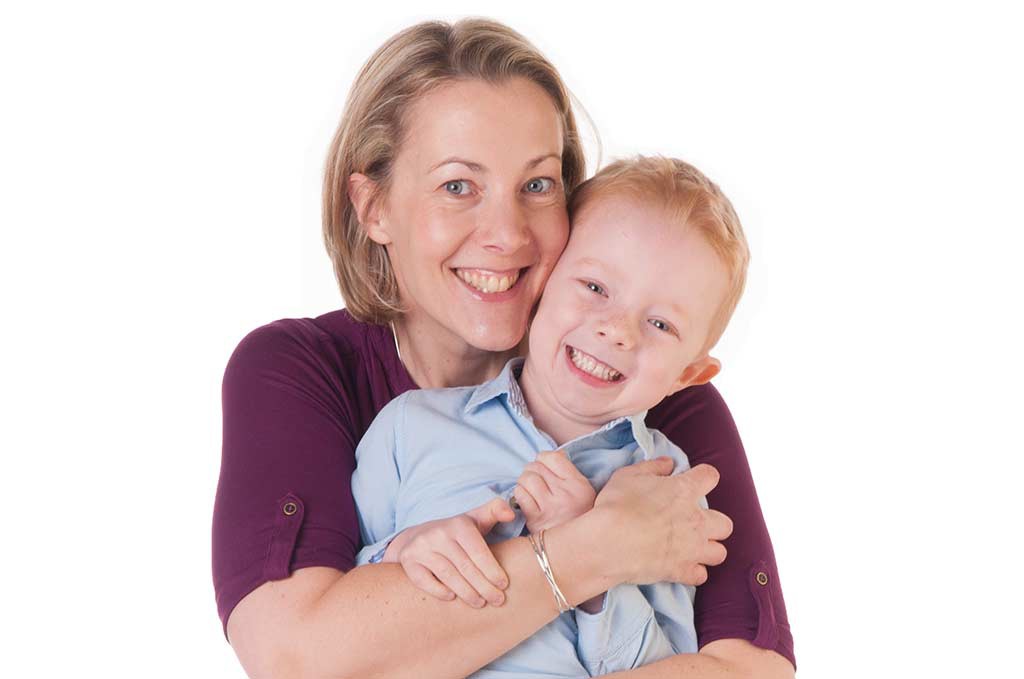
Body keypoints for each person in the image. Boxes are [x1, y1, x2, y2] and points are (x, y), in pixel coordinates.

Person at [213, 18, 795, 679]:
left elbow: (749, 670)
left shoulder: (655, 400)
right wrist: (592, 549)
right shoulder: (311, 377)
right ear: (374, 207)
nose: (508, 233)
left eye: (537, 184)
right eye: (458, 186)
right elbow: (297, 657)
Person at [351, 156, 751, 678]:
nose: (617, 331)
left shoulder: (671, 488)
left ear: (689, 374)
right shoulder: (410, 427)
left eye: (660, 324)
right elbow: (337, 626)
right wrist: (402, 551)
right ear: (540, 284)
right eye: (595, 288)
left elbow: (667, 666)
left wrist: (593, 557)